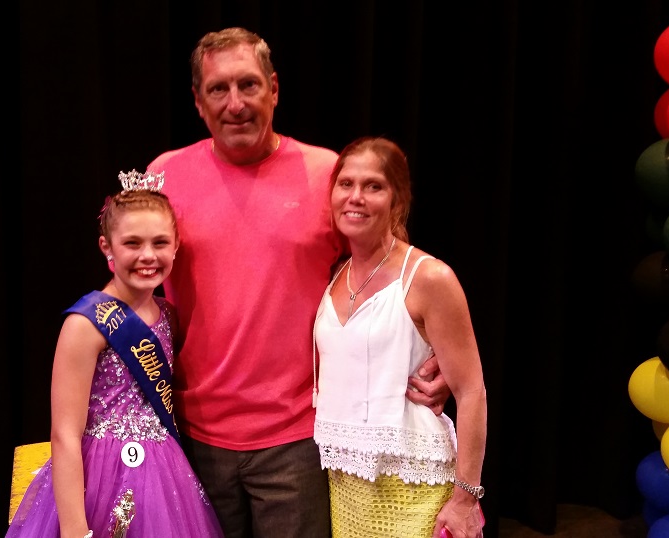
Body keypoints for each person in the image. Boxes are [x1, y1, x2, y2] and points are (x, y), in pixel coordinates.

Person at [147, 27, 451, 538]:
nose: (236, 103)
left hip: (299, 438)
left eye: (249, 85)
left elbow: (391, 265)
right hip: (191, 436)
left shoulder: (328, 175)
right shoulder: (163, 177)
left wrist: (434, 349)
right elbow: (132, 292)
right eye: (219, 89)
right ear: (198, 102)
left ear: (275, 89)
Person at [5, 171, 224, 538]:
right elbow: (64, 433)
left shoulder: (168, 313)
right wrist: (75, 529)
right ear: (107, 246)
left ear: (176, 246)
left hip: (165, 475)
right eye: (132, 243)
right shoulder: (84, 324)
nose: (148, 256)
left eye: (159, 242)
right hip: (98, 476)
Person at [312, 136, 487, 538]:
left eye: (373, 186)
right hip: (347, 491)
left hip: (416, 490)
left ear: (397, 199)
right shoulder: (334, 274)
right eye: (346, 184)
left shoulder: (429, 278)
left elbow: (472, 390)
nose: (356, 197)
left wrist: (465, 500)